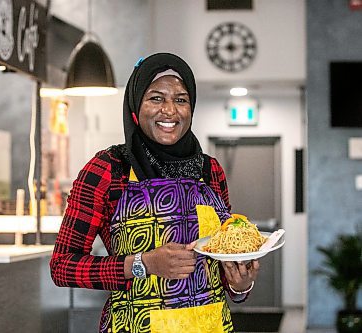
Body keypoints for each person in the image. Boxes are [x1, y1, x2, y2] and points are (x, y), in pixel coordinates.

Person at [50, 52, 260, 333]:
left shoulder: (210, 171)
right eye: (156, 98)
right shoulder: (108, 169)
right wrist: (142, 264)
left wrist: (240, 284)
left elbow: (219, 270)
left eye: (181, 99)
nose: (170, 111)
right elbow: (62, 266)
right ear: (136, 106)